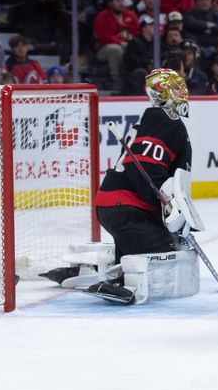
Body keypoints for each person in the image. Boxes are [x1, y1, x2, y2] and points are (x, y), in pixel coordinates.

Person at [63, 69, 199, 304]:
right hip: (129, 210)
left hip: (116, 207)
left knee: (162, 247)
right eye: (176, 87)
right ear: (161, 93)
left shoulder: (153, 121)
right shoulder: (165, 120)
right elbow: (146, 168)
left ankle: (94, 270)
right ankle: (117, 279)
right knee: (164, 259)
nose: (183, 91)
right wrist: (169, 208)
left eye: (182, 85)